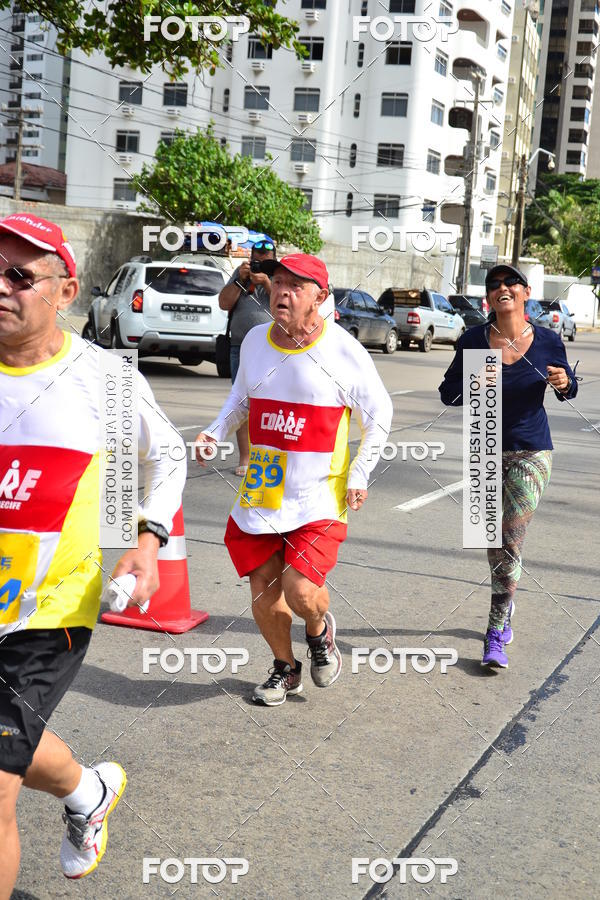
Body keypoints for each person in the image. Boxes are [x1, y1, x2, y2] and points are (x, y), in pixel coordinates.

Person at [0, 212, 186, 894]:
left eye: (20, 275)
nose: (2, 286)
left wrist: (146, 540)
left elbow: (165, 455)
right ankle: (87, 792)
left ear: (65, 290)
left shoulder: (100, 379)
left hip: (48, 613)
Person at [195, 253, 392, 706]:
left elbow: (379, 414)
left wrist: (360, 472)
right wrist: (214, 431)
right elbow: (239, 400)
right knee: (264, 594)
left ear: (319, 298)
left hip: (319, 491)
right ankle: (286, 667)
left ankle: (320, 631)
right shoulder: (255, 343)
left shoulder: (344, 350)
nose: (282, 292)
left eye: (296, 286)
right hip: (264, 484)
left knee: (300, 591)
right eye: (278, 282)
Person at [439, 264, 578, 669]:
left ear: (526, 292)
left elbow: (568, 388)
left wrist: (563, 382)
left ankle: (495, 631)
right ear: (488, 298)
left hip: (531, 449)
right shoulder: (472, 340)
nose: (503, 288)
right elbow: (448, 394)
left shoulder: (548, 340)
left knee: (511, 537)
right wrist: (473, 380)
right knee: (492, 539)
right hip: (484, 447)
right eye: (495, 285)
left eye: (510, 283)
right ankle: (509, 594)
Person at [218, 239, 276, 476]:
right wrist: (241, 281)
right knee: (242, 402)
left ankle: (269, 457)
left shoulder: (279, 276)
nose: (260, 261)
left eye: (265, 257)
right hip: (239, 346)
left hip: (272, 349)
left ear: (273, 257)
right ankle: (245, 458)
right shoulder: (242, 274)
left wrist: (268, 283)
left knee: (271, 402)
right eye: (257, 256)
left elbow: (285, 306)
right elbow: (223, 302)